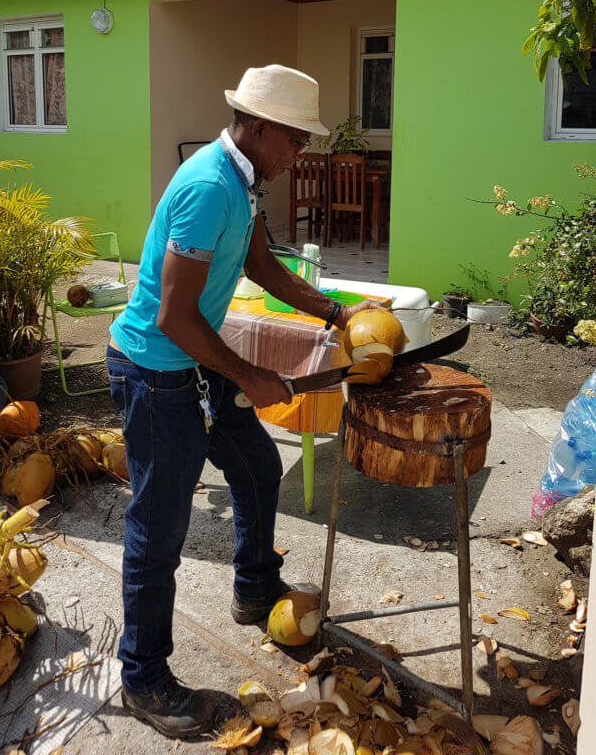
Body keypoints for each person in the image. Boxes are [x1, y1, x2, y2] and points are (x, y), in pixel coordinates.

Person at [106, 64, 386, 740]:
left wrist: (334, 311)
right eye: (295, 139)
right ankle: (144, 679)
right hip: (155, 374)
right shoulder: (207, 187)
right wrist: (249, 375)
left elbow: (259, 264)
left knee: (259, 468)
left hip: (196, 371)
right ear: (260, 128)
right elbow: (173, 314)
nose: (303, 154)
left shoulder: (243, 182)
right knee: (158, 531)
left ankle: (255, 589)